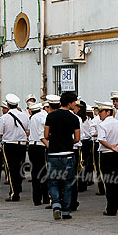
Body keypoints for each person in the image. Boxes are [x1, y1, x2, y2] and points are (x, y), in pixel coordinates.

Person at [43, 91, 81, 220]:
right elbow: (77, 138)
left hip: (53, 153)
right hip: (68, 154)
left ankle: (56, 204)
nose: (75, 104)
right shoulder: (74, 118)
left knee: (53, 182)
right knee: (67, 183)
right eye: (74, 102)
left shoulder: (51, 116)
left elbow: (46, 135)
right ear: (70, 103)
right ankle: (66, 211)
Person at [0, 94, 30, 202]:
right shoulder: (24, 116)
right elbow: (28, 131)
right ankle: (18, 187)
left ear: (8, 105)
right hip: (22, 144)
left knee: (11, 169)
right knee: (19, 167)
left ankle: (14, 193)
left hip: (10, 144)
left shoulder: (4, 118)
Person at [96, 101, 118, 216]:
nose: (99, 114)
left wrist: (111, 146)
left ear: (108, 112)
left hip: (107, 154)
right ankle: (115, 205)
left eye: (101, 111)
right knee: (116, 180)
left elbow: (101, 139)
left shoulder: (102, 125)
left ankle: (110, 207)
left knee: (108, 181)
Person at [27, 100, 48, 205]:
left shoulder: (32, 118)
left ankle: (36, 198)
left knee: (35, 172)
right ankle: (46, 197)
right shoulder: (43, 117)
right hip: (42, 145)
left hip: (32, 145)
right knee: (44, 171)